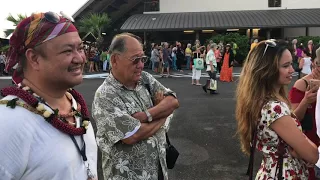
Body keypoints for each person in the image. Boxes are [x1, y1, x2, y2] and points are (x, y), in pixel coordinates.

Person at [0, 12, 97, 180]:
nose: (80, 58)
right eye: (68, 51)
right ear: (35, 58)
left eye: (80, 48)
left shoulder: (75, 104)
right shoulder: (8, 122)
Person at [92, 33, 179, 180]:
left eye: (142, 59)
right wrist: (163, 114)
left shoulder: (144, 79)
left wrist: (146, 116)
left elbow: (173, 101)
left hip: (158, 172)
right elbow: (132, 135)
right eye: (135, 60)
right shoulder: (105, 95)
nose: (141, 65)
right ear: (115, 60)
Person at [236, 40, 319, 179]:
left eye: (291, 64)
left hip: (270, 170)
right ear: (268, 70)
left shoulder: (259, 100)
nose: (292, 70)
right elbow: (312, 154)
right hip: (284, 174)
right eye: (286, 66)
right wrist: (303, 148)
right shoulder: (275, 108)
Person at [289, 47, 320, 180]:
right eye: (319, 64)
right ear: (313, 62)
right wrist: (306, 101)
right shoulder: (303, 83)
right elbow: (294, 117)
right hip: (310, 137)